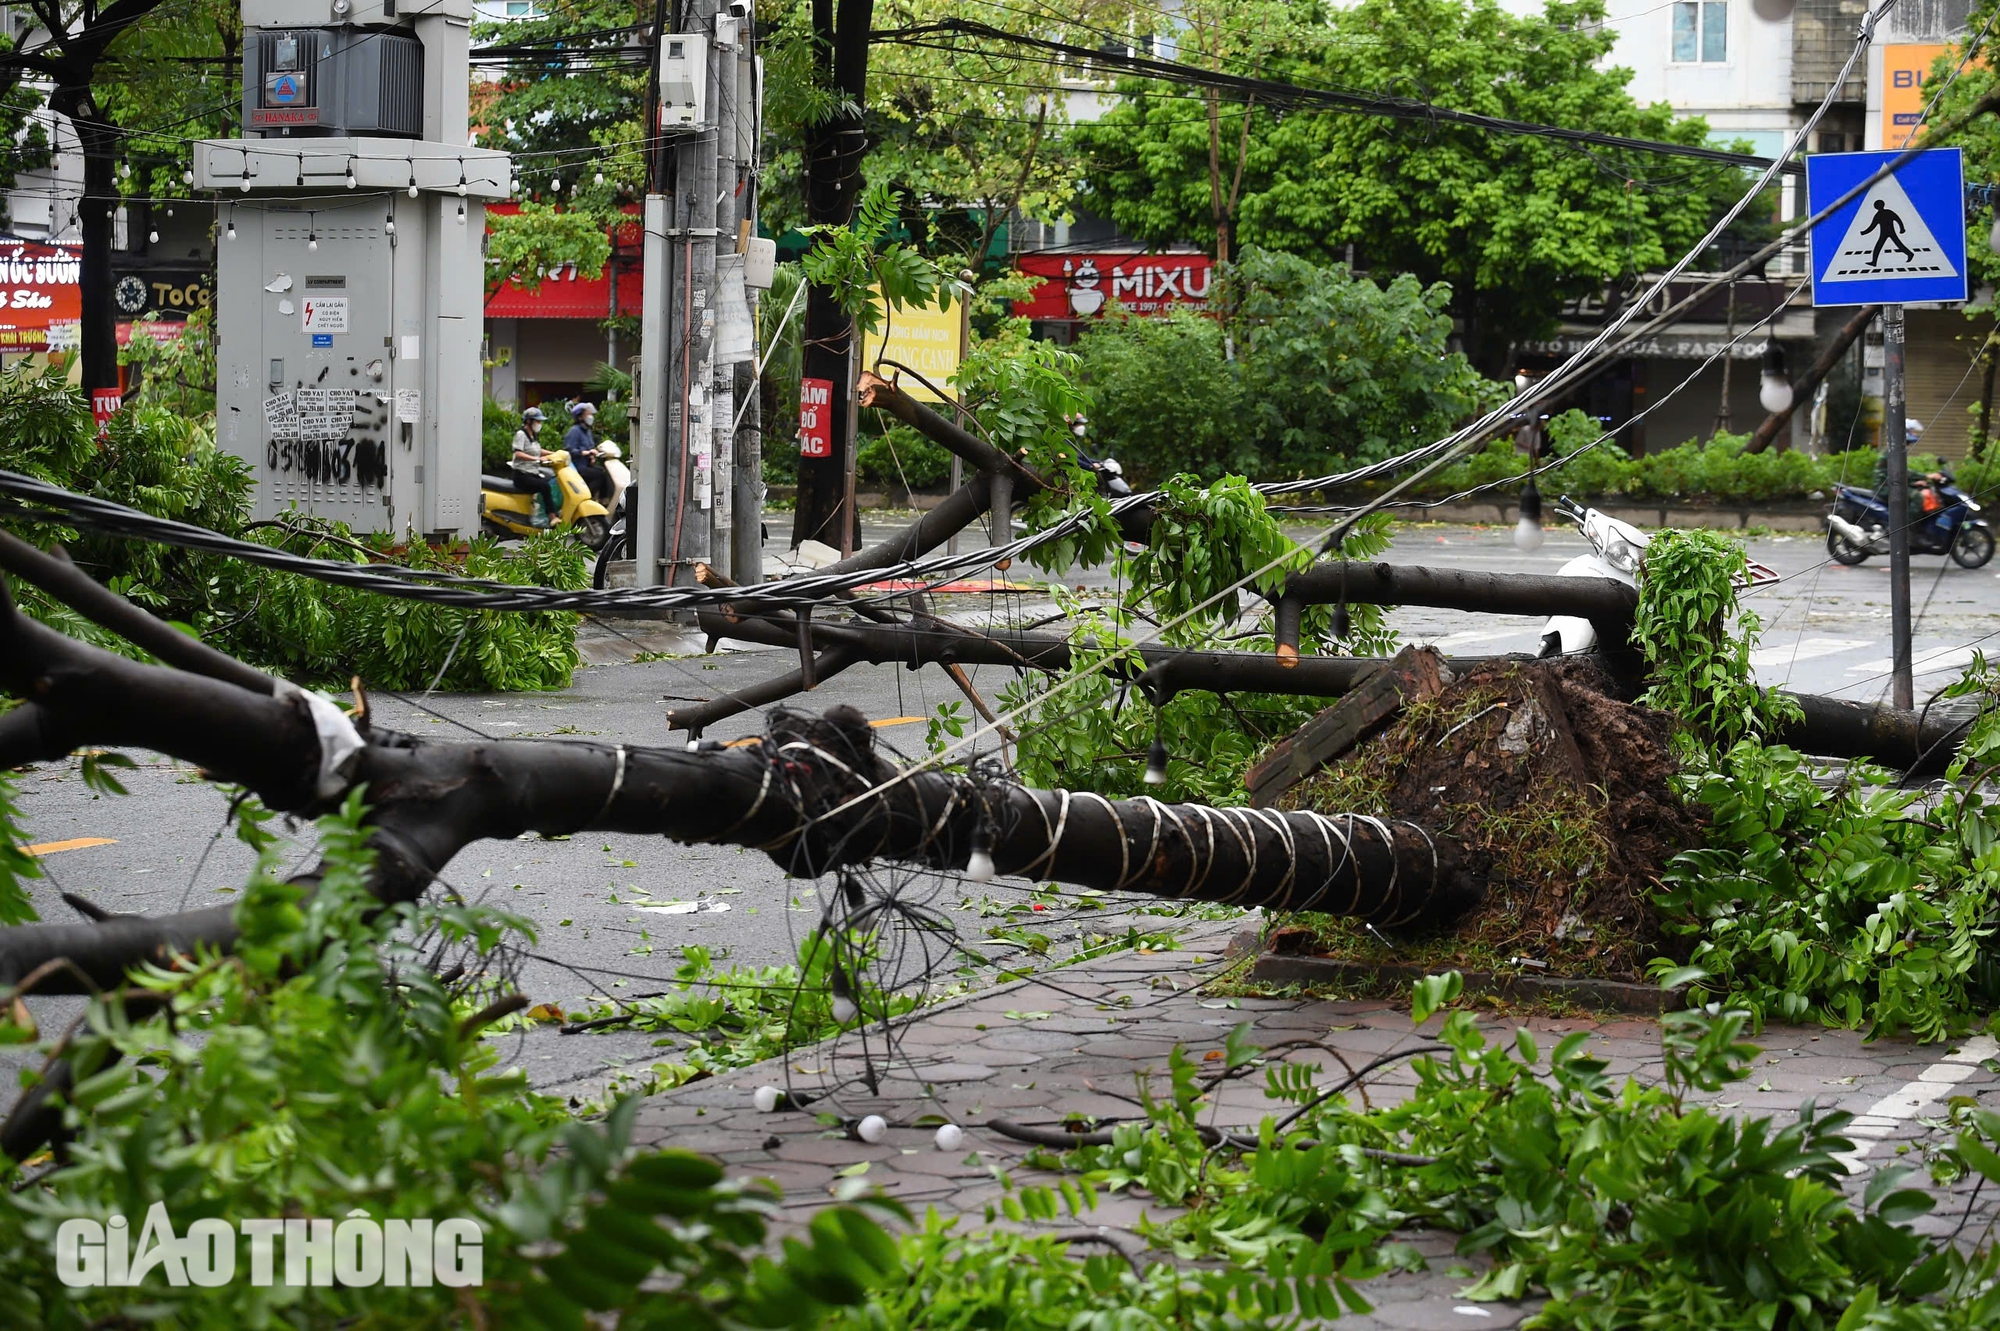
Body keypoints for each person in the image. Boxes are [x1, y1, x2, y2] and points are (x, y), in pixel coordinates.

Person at [508, 406, 558, 525]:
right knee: (544, 486)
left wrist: (556, 454)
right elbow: (518, 453)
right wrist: (537, 459)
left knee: (552, 481)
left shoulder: (532, 435)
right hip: (522, 475)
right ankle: (552, 517)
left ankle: (541, 511)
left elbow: (538, 450)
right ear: (529, 421)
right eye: (538, 421)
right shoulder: (521, 434)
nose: (539, 424)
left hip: (532, 473)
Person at [564, 401, 612, 503]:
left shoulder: (587, 431)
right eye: (588, 414)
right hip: (577, 466)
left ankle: (603, 501)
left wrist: (593, 455)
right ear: (580, 417)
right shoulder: (574, 431)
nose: (590, 416)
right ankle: (585, 499)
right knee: (598, 476)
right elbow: (569, 450)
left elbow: (590, 447)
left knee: (604, 472)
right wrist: (585, 453)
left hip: (587, 464)